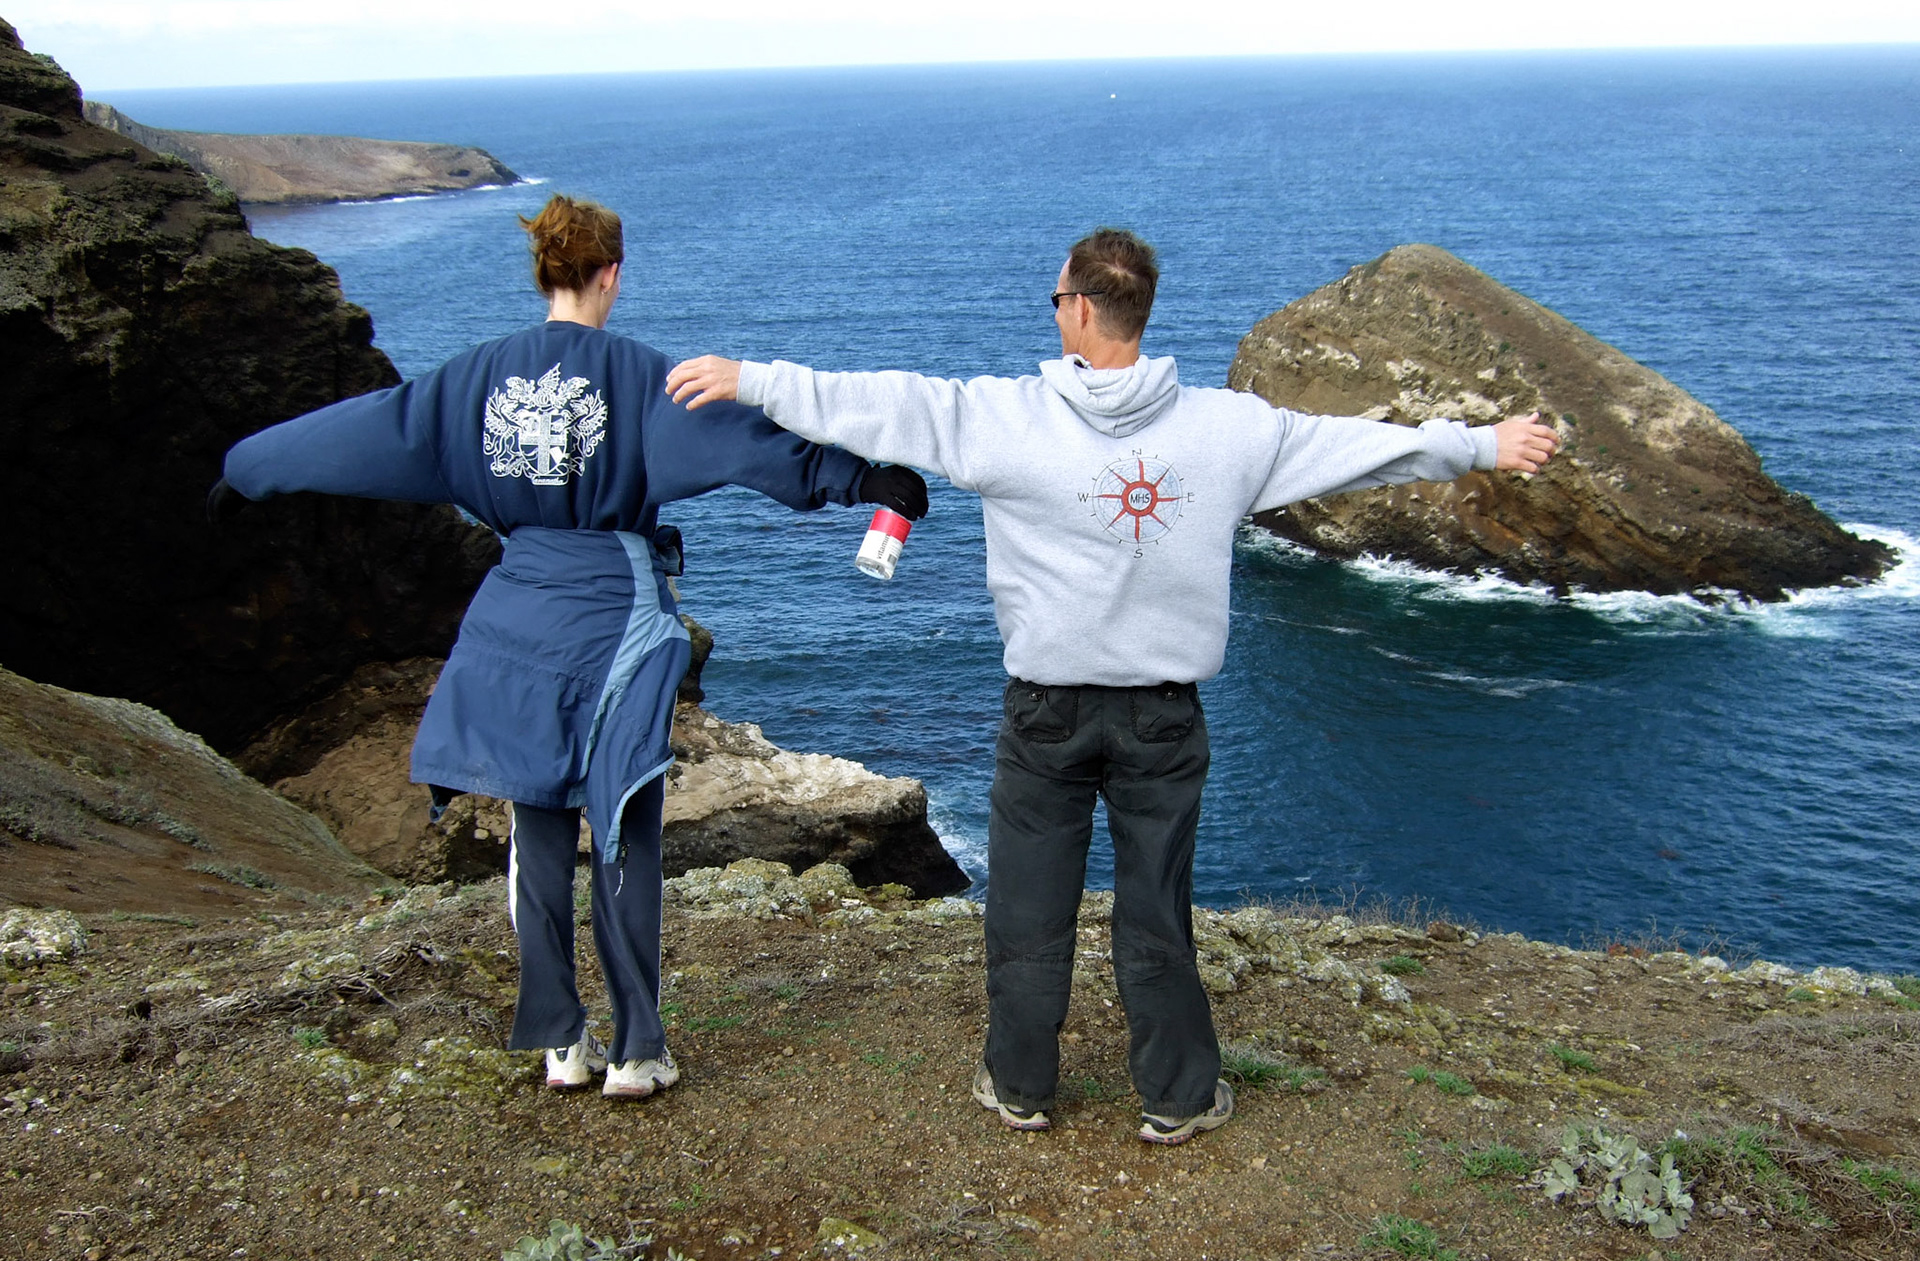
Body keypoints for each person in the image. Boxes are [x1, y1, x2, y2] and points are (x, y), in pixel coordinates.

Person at [665, 228, 1559, 1143]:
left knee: (1024, 905)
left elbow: (883, 404)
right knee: (1156, 909)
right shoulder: (1234, 430)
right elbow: (1365, 449)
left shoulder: (999, 419)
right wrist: (1484, 445)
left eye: (1057, 301)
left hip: (1045, 712)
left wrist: (756, 377)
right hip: (1164, 718)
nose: (1055, 315)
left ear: (1081, 308)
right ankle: (1175, 1097)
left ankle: (1019, 1087)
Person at [210, 194, 927, 1100]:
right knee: (623, 824)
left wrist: (247, 468)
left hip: (514, 613)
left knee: (536, 828)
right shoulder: (638, 379)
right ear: (611, 276)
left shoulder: (472, 382)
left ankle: (560, 1044)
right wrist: (862, 476)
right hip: (612, 611)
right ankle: (635, 1052)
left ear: (543, 271)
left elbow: (371, 430)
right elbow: (747, 447)